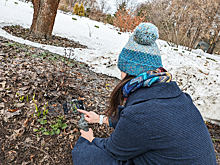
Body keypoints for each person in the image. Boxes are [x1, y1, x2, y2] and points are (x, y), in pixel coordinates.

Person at [71, 23, 217, 165]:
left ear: (128, 70)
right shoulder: (176, 96)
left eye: (121, 69)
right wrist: (101, 119)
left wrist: (90, 140)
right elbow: (148, 124)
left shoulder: (140, 115)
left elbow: (113, 149)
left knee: (91, 155)